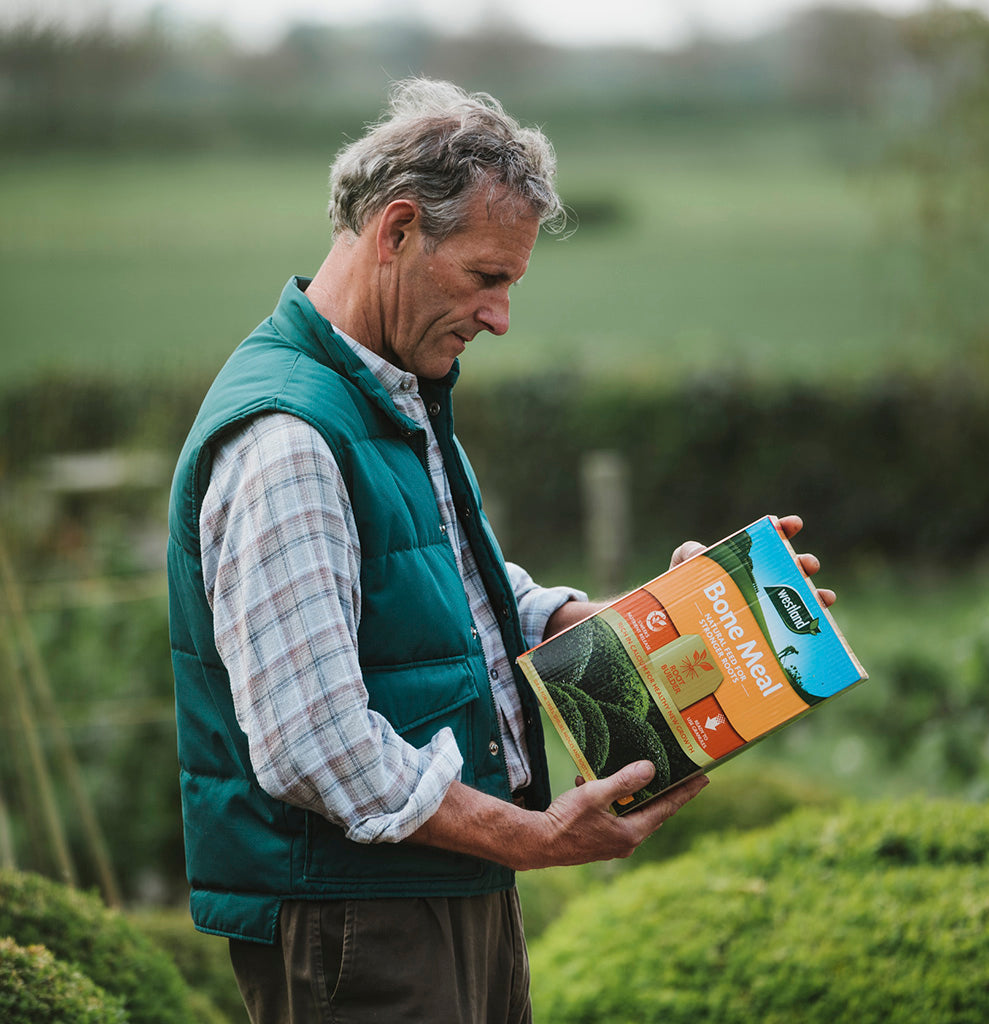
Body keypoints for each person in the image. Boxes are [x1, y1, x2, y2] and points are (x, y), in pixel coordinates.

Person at [167, 78, 835, 1024]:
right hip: (356, 921)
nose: (501, 317)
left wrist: (690, 615)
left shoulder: (391, 394)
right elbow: (312, 743)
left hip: (437, 889)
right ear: (397, 232)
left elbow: (470, 601)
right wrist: (530, 837)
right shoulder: (289, 440)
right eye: (488, 277)